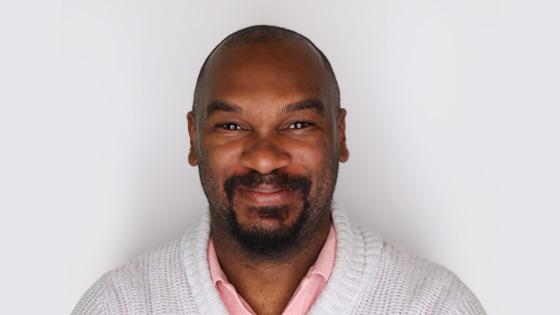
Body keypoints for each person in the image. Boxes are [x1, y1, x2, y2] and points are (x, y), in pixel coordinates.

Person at [73, 25, 485, 315]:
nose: (265, 158)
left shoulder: (433, 305)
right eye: (232, 126)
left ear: (340, 135)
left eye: (297, 125)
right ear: (193, 139)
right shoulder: (119, 306)